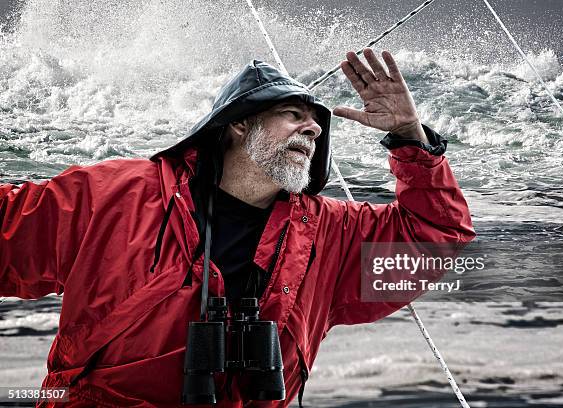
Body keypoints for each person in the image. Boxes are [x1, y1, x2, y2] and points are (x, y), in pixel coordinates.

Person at [0, 49, 474, 407]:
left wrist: (411, 139)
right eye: (293, 114)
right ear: (238, 126)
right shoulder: (117, 195)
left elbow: (434, 238)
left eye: (316, 124)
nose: (312, 129)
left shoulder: (332, 232)